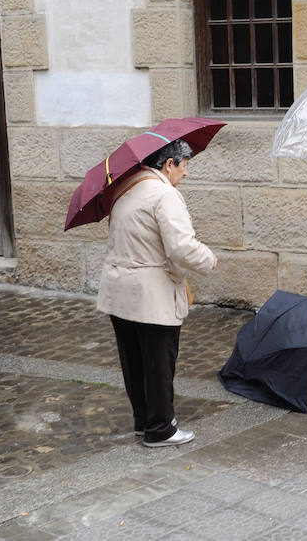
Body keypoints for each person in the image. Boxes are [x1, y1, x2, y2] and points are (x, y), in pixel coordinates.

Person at [97, 139, 217, 447]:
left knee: (134, 361)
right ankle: (161, 429)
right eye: (185, 166)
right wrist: (210, 259)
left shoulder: (126, 189)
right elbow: (181, 248)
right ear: (169, 164)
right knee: (158, 363)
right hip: (151, 295)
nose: (185, 173)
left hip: (119, 291)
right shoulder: (164, 194)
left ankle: (144, 421)